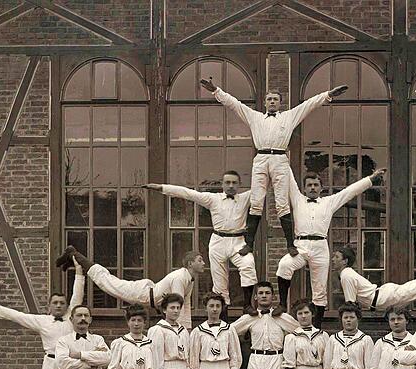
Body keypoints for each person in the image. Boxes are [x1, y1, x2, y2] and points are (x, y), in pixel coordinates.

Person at [199, 78, 348, 258]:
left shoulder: (289, 116)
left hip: (279, 158)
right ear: (264, 102)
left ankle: (290, 244)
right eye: (269, 99)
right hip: (261, 158)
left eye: (275, 100)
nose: (272, 102)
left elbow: (309, 105)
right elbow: (234, 104)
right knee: (256, 200)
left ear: (280, 103)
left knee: (282, 203)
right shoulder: (254, 117)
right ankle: (249, 244)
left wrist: (328, 95)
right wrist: (215, 90)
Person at [276, 168, 387, 329]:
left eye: (315, 185)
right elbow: (290, 180)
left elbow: (350, 191)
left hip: (320, 246)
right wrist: (281, 157)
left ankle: (317, 326)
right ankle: (281, 304)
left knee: (319, 289)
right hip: (301, 245)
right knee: (284, 265)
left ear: (321, 187)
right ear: (304, 188)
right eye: (309, 185)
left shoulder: (329, 202)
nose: (312, 188)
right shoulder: (298, 199)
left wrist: (371, 178)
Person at [142, 171, 257, 318]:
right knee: (220, 282)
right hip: (218, 242)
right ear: (222, 184)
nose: (231, 186)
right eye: (227, 182)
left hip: (238, 241)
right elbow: (188, 193)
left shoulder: (245, 198)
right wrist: (162, 188)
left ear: (239, 185)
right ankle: (222, 320)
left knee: (248, 264)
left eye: (234, 183)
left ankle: (247, 305)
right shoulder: (213, 199)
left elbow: (262, 186)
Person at [58, 247, 205, 329]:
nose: (204, 263)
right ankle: (75, 255)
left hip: (149, 293)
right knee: (108, 283)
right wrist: (181, 329)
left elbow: (185, 306)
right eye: (200, 260)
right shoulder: (180, 277)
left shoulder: (189, 279)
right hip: (143, 294)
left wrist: (187, 329)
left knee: (109, 282)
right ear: (190, 264)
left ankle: (75, 260)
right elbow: (176, 307)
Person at [231, 281, 299, 369]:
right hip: (256, 359)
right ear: (255, 297)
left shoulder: (282, 317)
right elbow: (229, 332)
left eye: (267, 293)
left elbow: (300, 330)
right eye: (260, 293)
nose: (264, 296)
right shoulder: (249, 318)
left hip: (276, 359)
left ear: (273, 297)